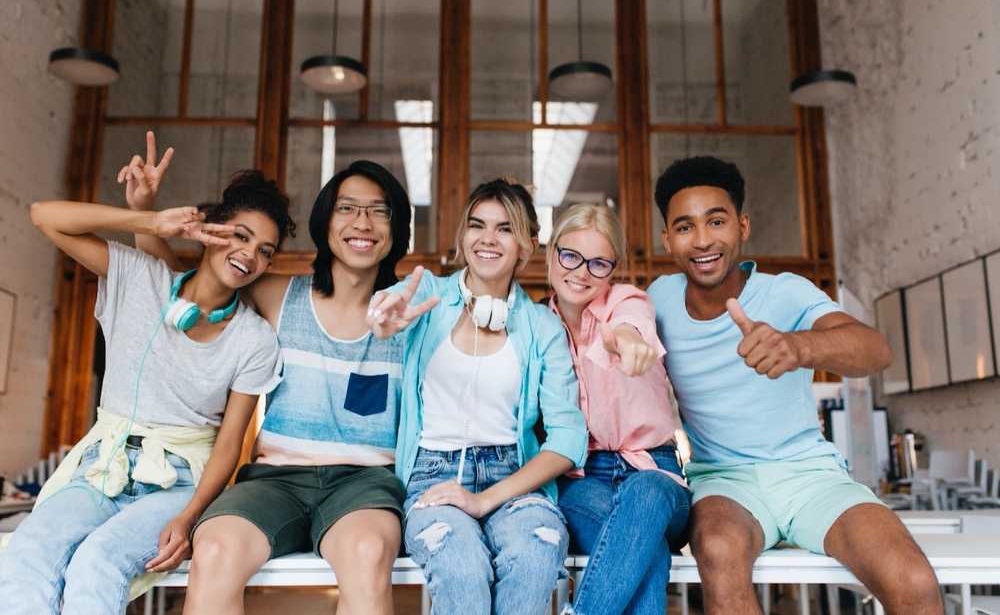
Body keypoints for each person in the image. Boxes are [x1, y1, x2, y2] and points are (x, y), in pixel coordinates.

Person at [122, 133, 421, 615]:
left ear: (397, 227)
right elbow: (185, 290)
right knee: (214, 548)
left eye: (379, 211)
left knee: (367, 552)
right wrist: (144, 214)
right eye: (347, 208)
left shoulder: (413, 311)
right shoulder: (279, 295)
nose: (362, 222)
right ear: (325, 223)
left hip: (366, 484)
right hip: (274, 481)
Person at [647, 156, 943, 615]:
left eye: (717, 221)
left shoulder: (786, 291)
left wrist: (798, 346)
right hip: (724, 482)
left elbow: (876, 350)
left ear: (743, 226)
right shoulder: (657, 299)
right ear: (667, 238)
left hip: (811, 475)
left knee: (914, 580)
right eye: (685, 227)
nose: (702, 240)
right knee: (719, 552)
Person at [0, 169, 291, 615]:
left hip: (180, 483)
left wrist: (189, 516)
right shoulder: (140, 278)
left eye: (264, 251)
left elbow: (229, 444)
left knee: (98, 561)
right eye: (240, 236)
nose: (249, 255)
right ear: (209, 231)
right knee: (28, 552)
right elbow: (44, 215)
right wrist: (148, 220)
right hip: (103, 468)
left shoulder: (254, 340)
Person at [367, 178, 588, 615]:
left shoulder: (542, 326)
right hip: (432, 475)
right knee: (462, 568)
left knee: (538, 551)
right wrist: (382, 316)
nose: (488, 238)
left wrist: (486, 499)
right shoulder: (428, 295)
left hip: (513, 476)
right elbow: (390, 303)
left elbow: (568, 439)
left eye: (505, 229)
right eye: (477, 225)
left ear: (526, 245)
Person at [546, 204, 690, 615]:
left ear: (614, 269)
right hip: (582, 477)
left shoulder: (627, 301)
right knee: (646, 550)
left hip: (656, 470)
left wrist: (627, 341)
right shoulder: (539, 326)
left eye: (598, 263)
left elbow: (629, 325)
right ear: (552, 254)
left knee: (646, 493)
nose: (581, 272)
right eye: (570, 256)